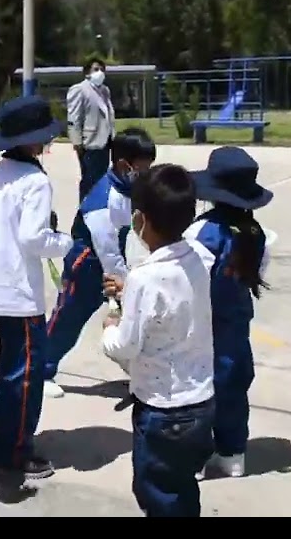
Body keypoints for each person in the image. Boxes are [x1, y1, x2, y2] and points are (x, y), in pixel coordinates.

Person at [100, 164, 215, 518]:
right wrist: (128, 292)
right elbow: (173, 298)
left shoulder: (145, 278)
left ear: (142, 220)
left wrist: (109, 327)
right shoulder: (200, 257)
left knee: (156, 491)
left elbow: (126, 346)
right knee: (182, 484)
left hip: (163, 410)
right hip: (201, 402)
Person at [0, 95, 72, 481]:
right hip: (21, 292)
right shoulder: (34, 180)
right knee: (26, 377)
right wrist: (66, 242)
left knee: (11, 365)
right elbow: (35, 239)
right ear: (35, 142)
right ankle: (12, 452)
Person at [42, 127, 157, 399]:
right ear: (122, 165)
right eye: (142, 169)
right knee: (68, 319)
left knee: (135, 320)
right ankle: (41, 371)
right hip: (88, 263)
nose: (146, 174)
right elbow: (108, 252)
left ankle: (144, 371)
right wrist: (124, 286)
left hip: (112, 259)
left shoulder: (128, 189)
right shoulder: (103, 202)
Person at [183, 146, 274, 479]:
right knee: (234, 386)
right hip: (237, 324)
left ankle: (194, 457)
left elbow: (189, 279)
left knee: (198, 390)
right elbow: (259, 271)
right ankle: (233, 452)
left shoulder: (200, 232)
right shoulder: (257, 233)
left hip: (204, 326)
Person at [67, 57, 116, 199]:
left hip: (105, 141)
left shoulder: (105, 91)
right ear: (87, 73)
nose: (100, 72)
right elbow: (74, 118)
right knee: (90, 179)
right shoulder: (79, 90)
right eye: (96, 69)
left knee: (101, 179)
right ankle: (85, 209)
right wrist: (77, 143)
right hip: (89, 142)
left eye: (102, 69)